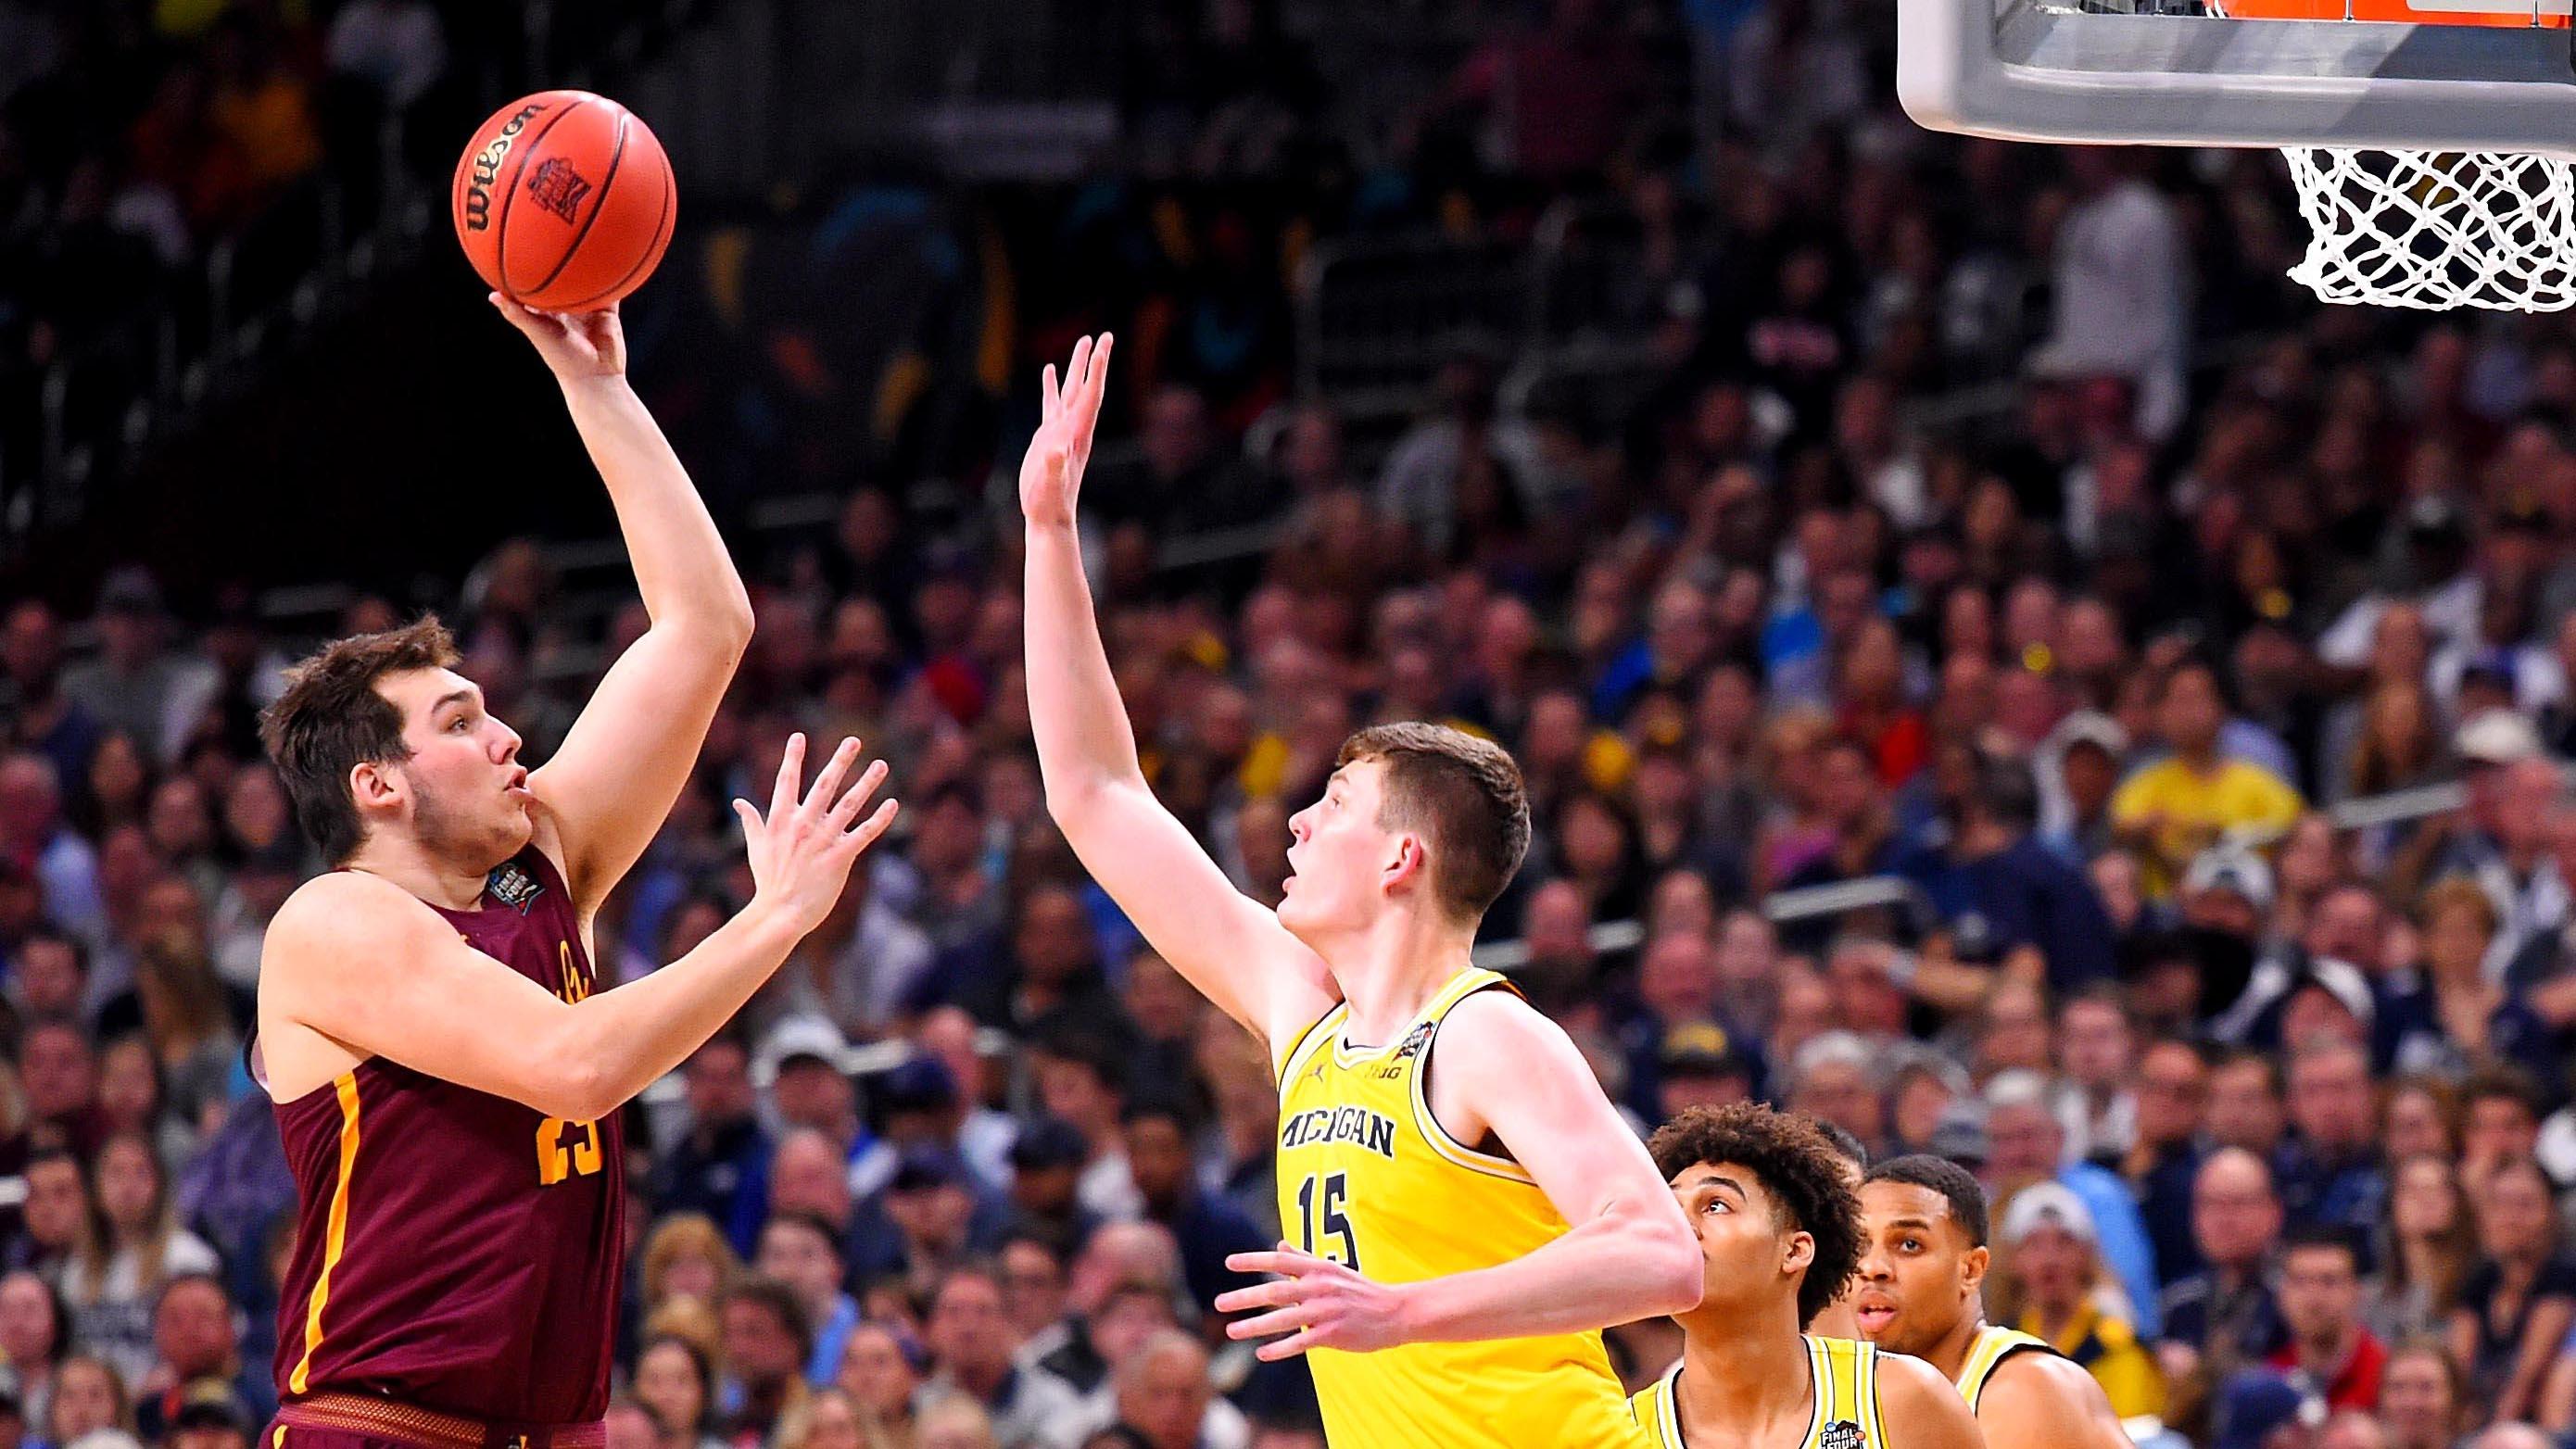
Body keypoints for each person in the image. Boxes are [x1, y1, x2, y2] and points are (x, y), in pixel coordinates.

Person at [1020, 335, 1697, 1446]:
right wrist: (1049, 533)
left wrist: (1401, 1313)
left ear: (1400, 860)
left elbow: (1662, 1255)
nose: (1295, 818)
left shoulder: (1482, 1034)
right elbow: (1095, 793)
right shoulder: (1309, 1017)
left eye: (1332, 803)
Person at [247, 298, 902, 1445]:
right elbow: (575, 1064)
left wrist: (597, 387)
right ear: (379, 786)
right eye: (461, 721)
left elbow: (704, 626)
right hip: (385, 1428)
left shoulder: (533, 858)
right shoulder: (333, 923)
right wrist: (774, 920)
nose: (508, 738)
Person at [1627, 1105, 1980, 1449]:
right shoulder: (1625, 1432)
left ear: (1795, 1251)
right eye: (1672, 1210)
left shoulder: (1902, 1399)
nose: (1683, 1228)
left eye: (1716, 1205)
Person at [1849, 1155, 2128, 1449]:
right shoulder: (1854, 1397)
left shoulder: (2026, 1390)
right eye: (1859, 1245)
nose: (1872, 1267)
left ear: (1971, 1269)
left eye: (1909, 1244)